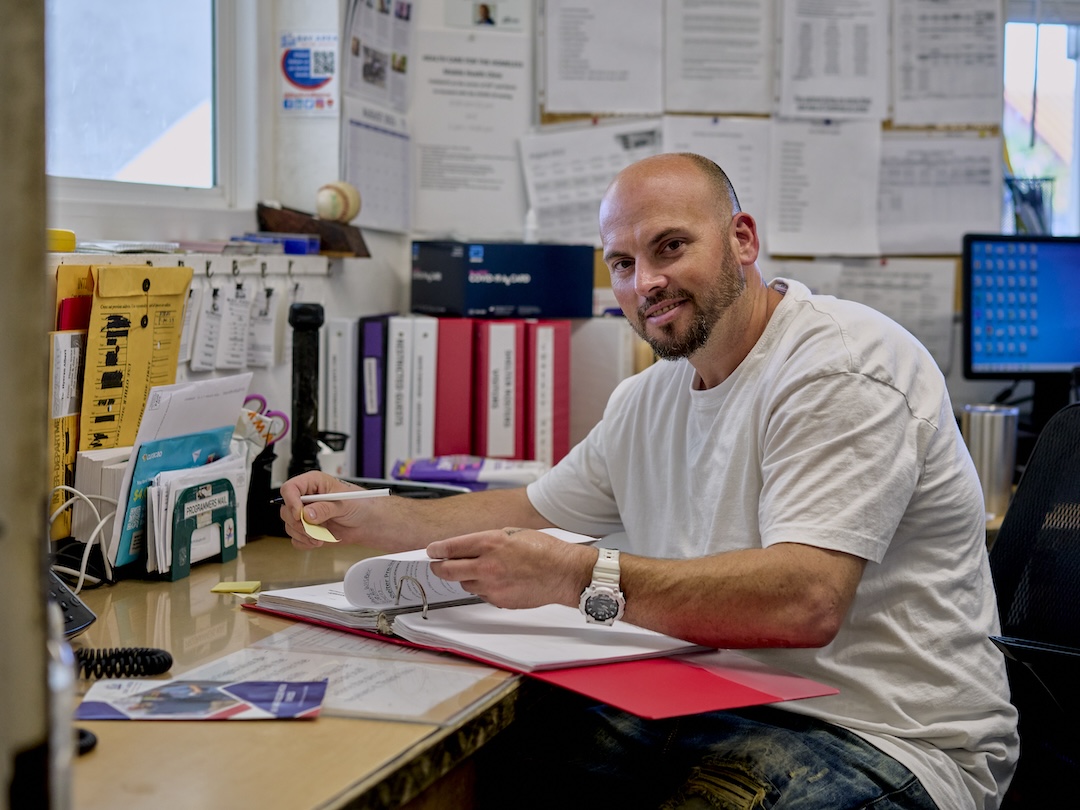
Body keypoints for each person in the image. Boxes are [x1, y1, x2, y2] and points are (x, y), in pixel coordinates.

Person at [280, 153, 1018, 809]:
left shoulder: (841, 366)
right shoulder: (651, 396)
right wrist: (368, 512)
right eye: (623, 264)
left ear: (742, 239)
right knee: (498, 755)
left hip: (880, 733)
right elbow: (533, 511)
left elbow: (806, 599)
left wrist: (578, 575)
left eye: (669, 247)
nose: (647, 282)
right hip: (714, 701)